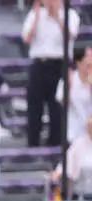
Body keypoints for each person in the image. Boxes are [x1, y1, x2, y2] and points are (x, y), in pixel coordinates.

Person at [23, 0, 80, 148]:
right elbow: (27, 39)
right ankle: (33, 146)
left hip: (59, 64)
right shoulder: (35, 14)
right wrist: (36, 17)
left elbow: (71, 36)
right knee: (34, 107)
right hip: (38, 63)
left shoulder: (70, 15)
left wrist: (57, 18)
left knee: (57, 108)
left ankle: (55, 147)